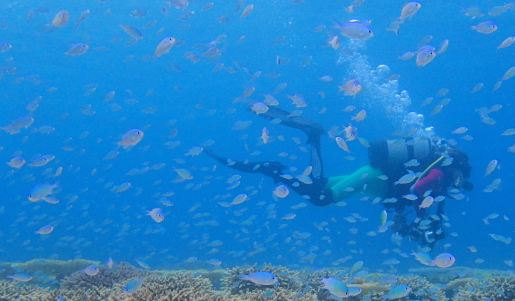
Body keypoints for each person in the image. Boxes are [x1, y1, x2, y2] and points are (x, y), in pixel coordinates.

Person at [203, 106, 473, 248]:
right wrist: (422, 215)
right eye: (459, 180)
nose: (457, 185)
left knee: (319, 186)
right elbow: (419, 187)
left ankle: (279, 168)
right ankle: (311, 138)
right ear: (458, 170)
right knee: (321, 198)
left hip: (371, 178)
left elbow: (410, 190)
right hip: (371, 179)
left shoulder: (439, 170)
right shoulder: (441, 172)